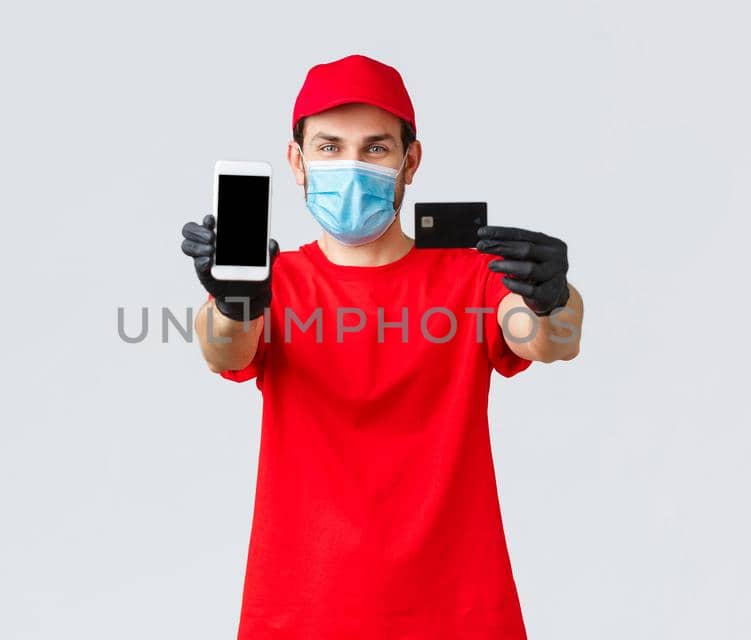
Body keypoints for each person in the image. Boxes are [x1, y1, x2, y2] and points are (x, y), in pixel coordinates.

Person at [178, 53, 585, 639]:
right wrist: (236, 298)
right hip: (301, 610)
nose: (351, 164)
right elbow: (224, 351)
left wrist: (554, 298)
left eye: (374, 148)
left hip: (458, 610)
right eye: (328, 147)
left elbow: (550, 341)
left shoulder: (471, 276)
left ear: (409, 161)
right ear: (297, 161)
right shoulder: (274, 282)